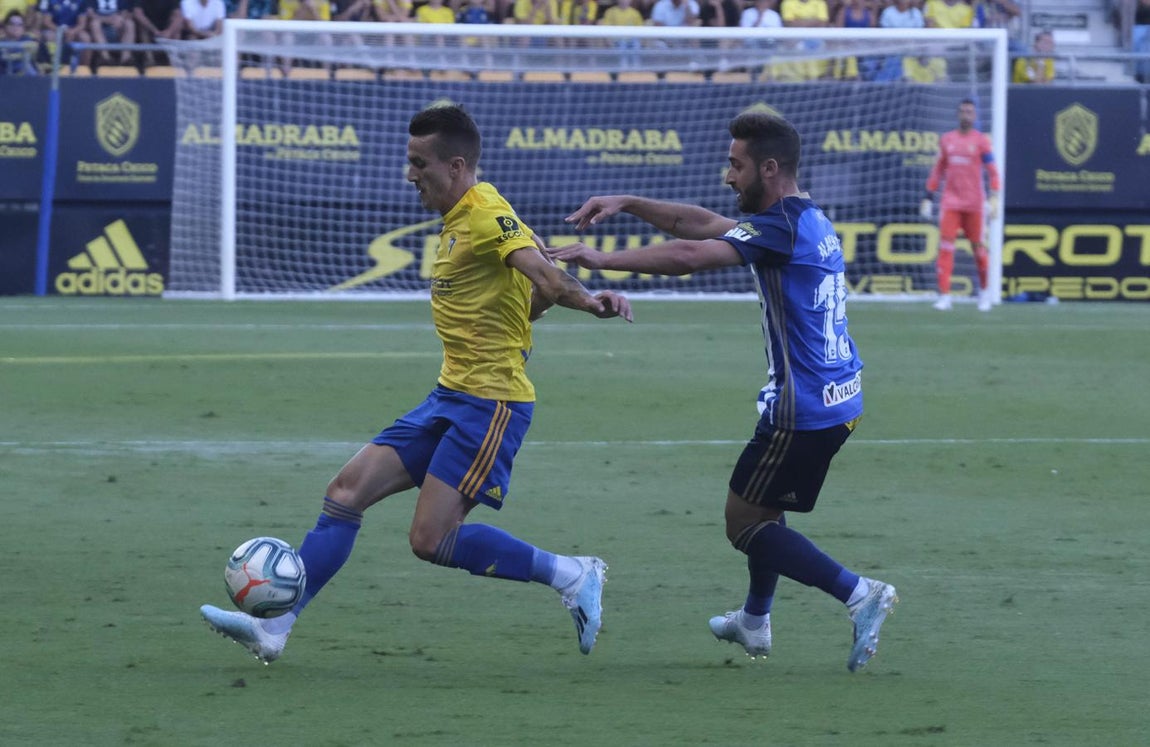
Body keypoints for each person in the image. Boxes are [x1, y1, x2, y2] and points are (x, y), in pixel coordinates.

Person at [200, 104, 632, 663]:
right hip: (449, 396)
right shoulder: (460, 223)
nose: (410, 174)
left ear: (455, 166)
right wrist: (547, 302)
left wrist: (593, 302)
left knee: (431, 541)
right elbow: (534, 298)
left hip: (490, 404)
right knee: (345, 494)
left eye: (418, 163)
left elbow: (546, 276)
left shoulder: (485, 213)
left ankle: (573, 574)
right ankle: (275, 626)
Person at [548, 111, 898, 673]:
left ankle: (860, 594)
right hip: (839, 398)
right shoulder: (802, 217)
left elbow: (690, 257)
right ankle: (754, 622)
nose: (728, 176)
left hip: (801, 408)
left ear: (770, 167)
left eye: (736, 166)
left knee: (745, 523)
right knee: (766, 509)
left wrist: (602, 258)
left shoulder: (780, 227)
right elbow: (699, 224)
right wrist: (629, 201)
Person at [920, 98, 1000, 311]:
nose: (966, 115)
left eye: (970, 112)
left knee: (979, 251)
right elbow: (938, 170)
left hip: (975, 205)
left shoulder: (982, 141)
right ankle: (945, 296)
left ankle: (984, 293)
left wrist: (994, 197)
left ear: (974, 116)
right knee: (946, 249)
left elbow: (992, 170)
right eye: (963, 111)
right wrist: (928, 196)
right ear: (958, 114)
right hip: (951, 204)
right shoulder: (947, 140)